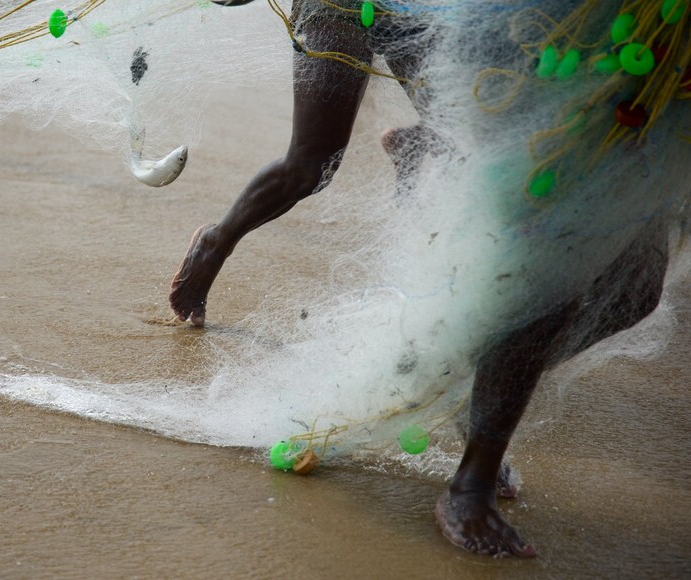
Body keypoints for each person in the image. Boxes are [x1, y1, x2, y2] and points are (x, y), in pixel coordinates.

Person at [174, 0, 671, 557]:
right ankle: (215, 244)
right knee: (315, 161)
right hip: (345, 4)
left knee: (635, 288)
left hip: (441, 13)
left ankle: (470, 390)